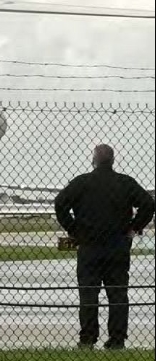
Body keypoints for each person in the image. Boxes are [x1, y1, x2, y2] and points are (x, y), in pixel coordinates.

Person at [53, 144, 155, 350]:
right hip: (117, 245)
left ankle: (88, 338)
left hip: (89, 246)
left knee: (89, 293)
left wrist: (74, 229)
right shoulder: (125, 182)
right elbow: (149, 204)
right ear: (113, 160)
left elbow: (60, 202)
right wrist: (134, 228)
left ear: (94, 160)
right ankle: (117, 339)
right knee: (117, 293)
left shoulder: (82, 182)